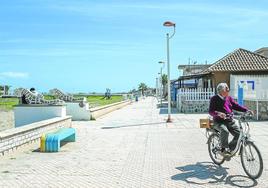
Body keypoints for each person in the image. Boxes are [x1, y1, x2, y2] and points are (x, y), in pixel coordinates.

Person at [209, 83, 253, 158]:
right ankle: (223, 149)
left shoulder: (228, 98)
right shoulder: (214, 98)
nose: (228, 90)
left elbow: (236, 105)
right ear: (221, 91)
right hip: (218, 121)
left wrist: (246, 110)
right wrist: (218, 113)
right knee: (224, 130)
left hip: (229, 121)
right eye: (227, 89)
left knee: (239, 134)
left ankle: (230, 149)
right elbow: (211, 111)